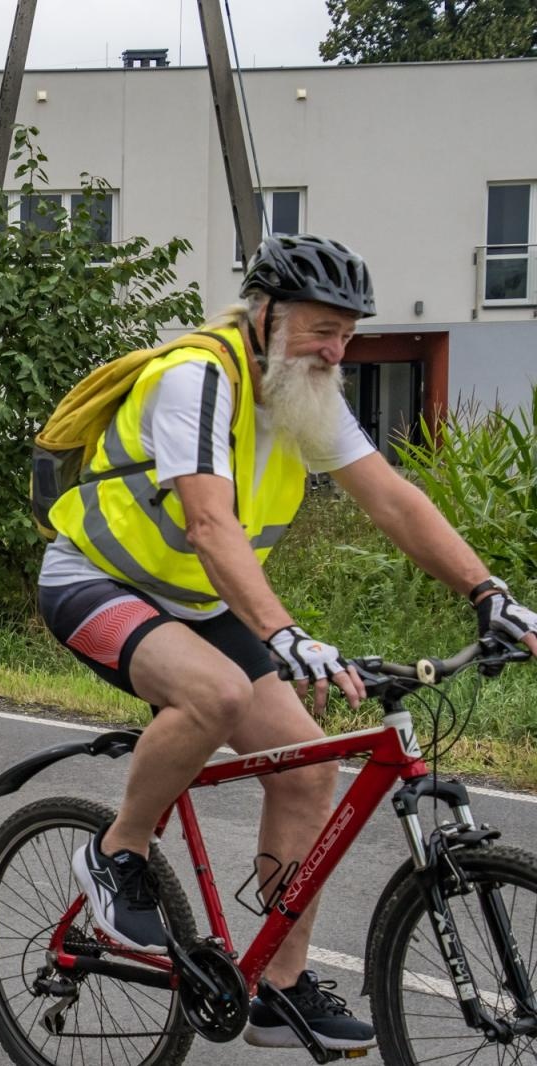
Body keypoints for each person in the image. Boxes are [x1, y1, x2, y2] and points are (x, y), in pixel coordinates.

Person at [37, 234, 537, 1053]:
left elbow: (394, 502)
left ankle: (280, 986)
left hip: (199, 603)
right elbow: (208, 523)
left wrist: (491, 595)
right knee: (216, 692)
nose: (337, 350)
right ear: (264, 314)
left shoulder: (302, 393)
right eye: (320, 329)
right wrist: (283, 633)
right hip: (96, 582)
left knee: (311, 764)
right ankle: (117, 851)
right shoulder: (193, 377)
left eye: (348, 334)